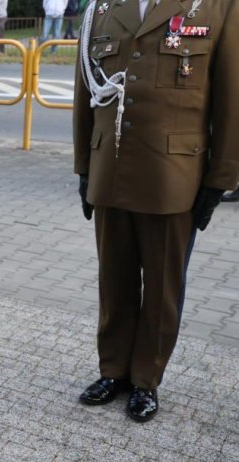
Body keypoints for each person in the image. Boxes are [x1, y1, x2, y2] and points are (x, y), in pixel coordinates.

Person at [74, 0, 239, 422]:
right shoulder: (103, 7)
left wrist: (220, 178)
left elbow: (232, 98)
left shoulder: (220, 7)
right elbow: (85, 91)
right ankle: (113, 370)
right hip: (109, 168)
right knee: (114, 280)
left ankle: (146, 378)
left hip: (174, 176)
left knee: (163, 287)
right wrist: (83, 167)